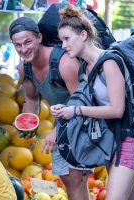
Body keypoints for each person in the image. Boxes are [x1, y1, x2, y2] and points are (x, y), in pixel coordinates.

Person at [51, 5, 134, 200]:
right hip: (112, 141)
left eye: (67, 39)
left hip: (130, 138)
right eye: (61, 40)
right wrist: (67, 109)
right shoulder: (85, 69)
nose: (63, 45)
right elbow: (88, 103)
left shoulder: (109, 62)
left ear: (84, 35)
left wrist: (77, 111)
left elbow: (117, 109)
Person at [9, 16, 91, 200]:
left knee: (77, 179)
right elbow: (30, 98)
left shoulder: (64, 63)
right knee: (67, 178)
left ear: (39, 38)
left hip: (81, 121)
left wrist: (57, 130)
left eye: (28, 42)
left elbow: (81, 100)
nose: (23, 49)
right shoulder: (25, 69)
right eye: (18, 45)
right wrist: (27, 121)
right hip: (60, 123)